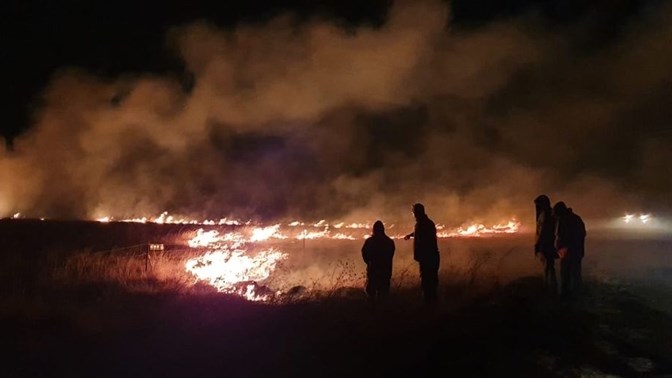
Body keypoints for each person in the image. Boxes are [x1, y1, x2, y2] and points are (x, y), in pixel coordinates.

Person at [404, 203, 440, 305]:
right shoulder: (426, 223)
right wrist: (410, 235)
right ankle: (432, 304)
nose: (413, 214)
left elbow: (424, 238)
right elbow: (420, 233)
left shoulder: (422, 224)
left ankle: (429, 306)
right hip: (430, 256)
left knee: (428, 282)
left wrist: (421, 255)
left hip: (428, 257)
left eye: (413, 212)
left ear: (416, 212)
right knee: (430, 281)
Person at [553, 201, 587, 297]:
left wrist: (559, 248)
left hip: (567, 252)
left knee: (565, 274)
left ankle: (566, 294)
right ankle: (577, 294)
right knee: (576, 274)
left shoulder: (563, 220)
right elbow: (583, 233)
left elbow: (560, 236)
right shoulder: (576, 218)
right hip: (577, 251)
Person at [361, 220, 395, 303]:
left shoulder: (369, 241)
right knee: (383, 292)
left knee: (371, 292)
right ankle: (383, 311)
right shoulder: (389, 242)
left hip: (373, 270)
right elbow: (391, 255)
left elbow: (364, 252)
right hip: (386, 270)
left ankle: (372, 310)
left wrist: (369, 262)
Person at [534, 194, 557, 293]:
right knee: (549, 264)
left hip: (546, 242)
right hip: (549, 241)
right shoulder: (549, 212)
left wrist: (538, 244)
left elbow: (543, 231)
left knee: (548, 264)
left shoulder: (545, 214)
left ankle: (548, 284)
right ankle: (551, 283)